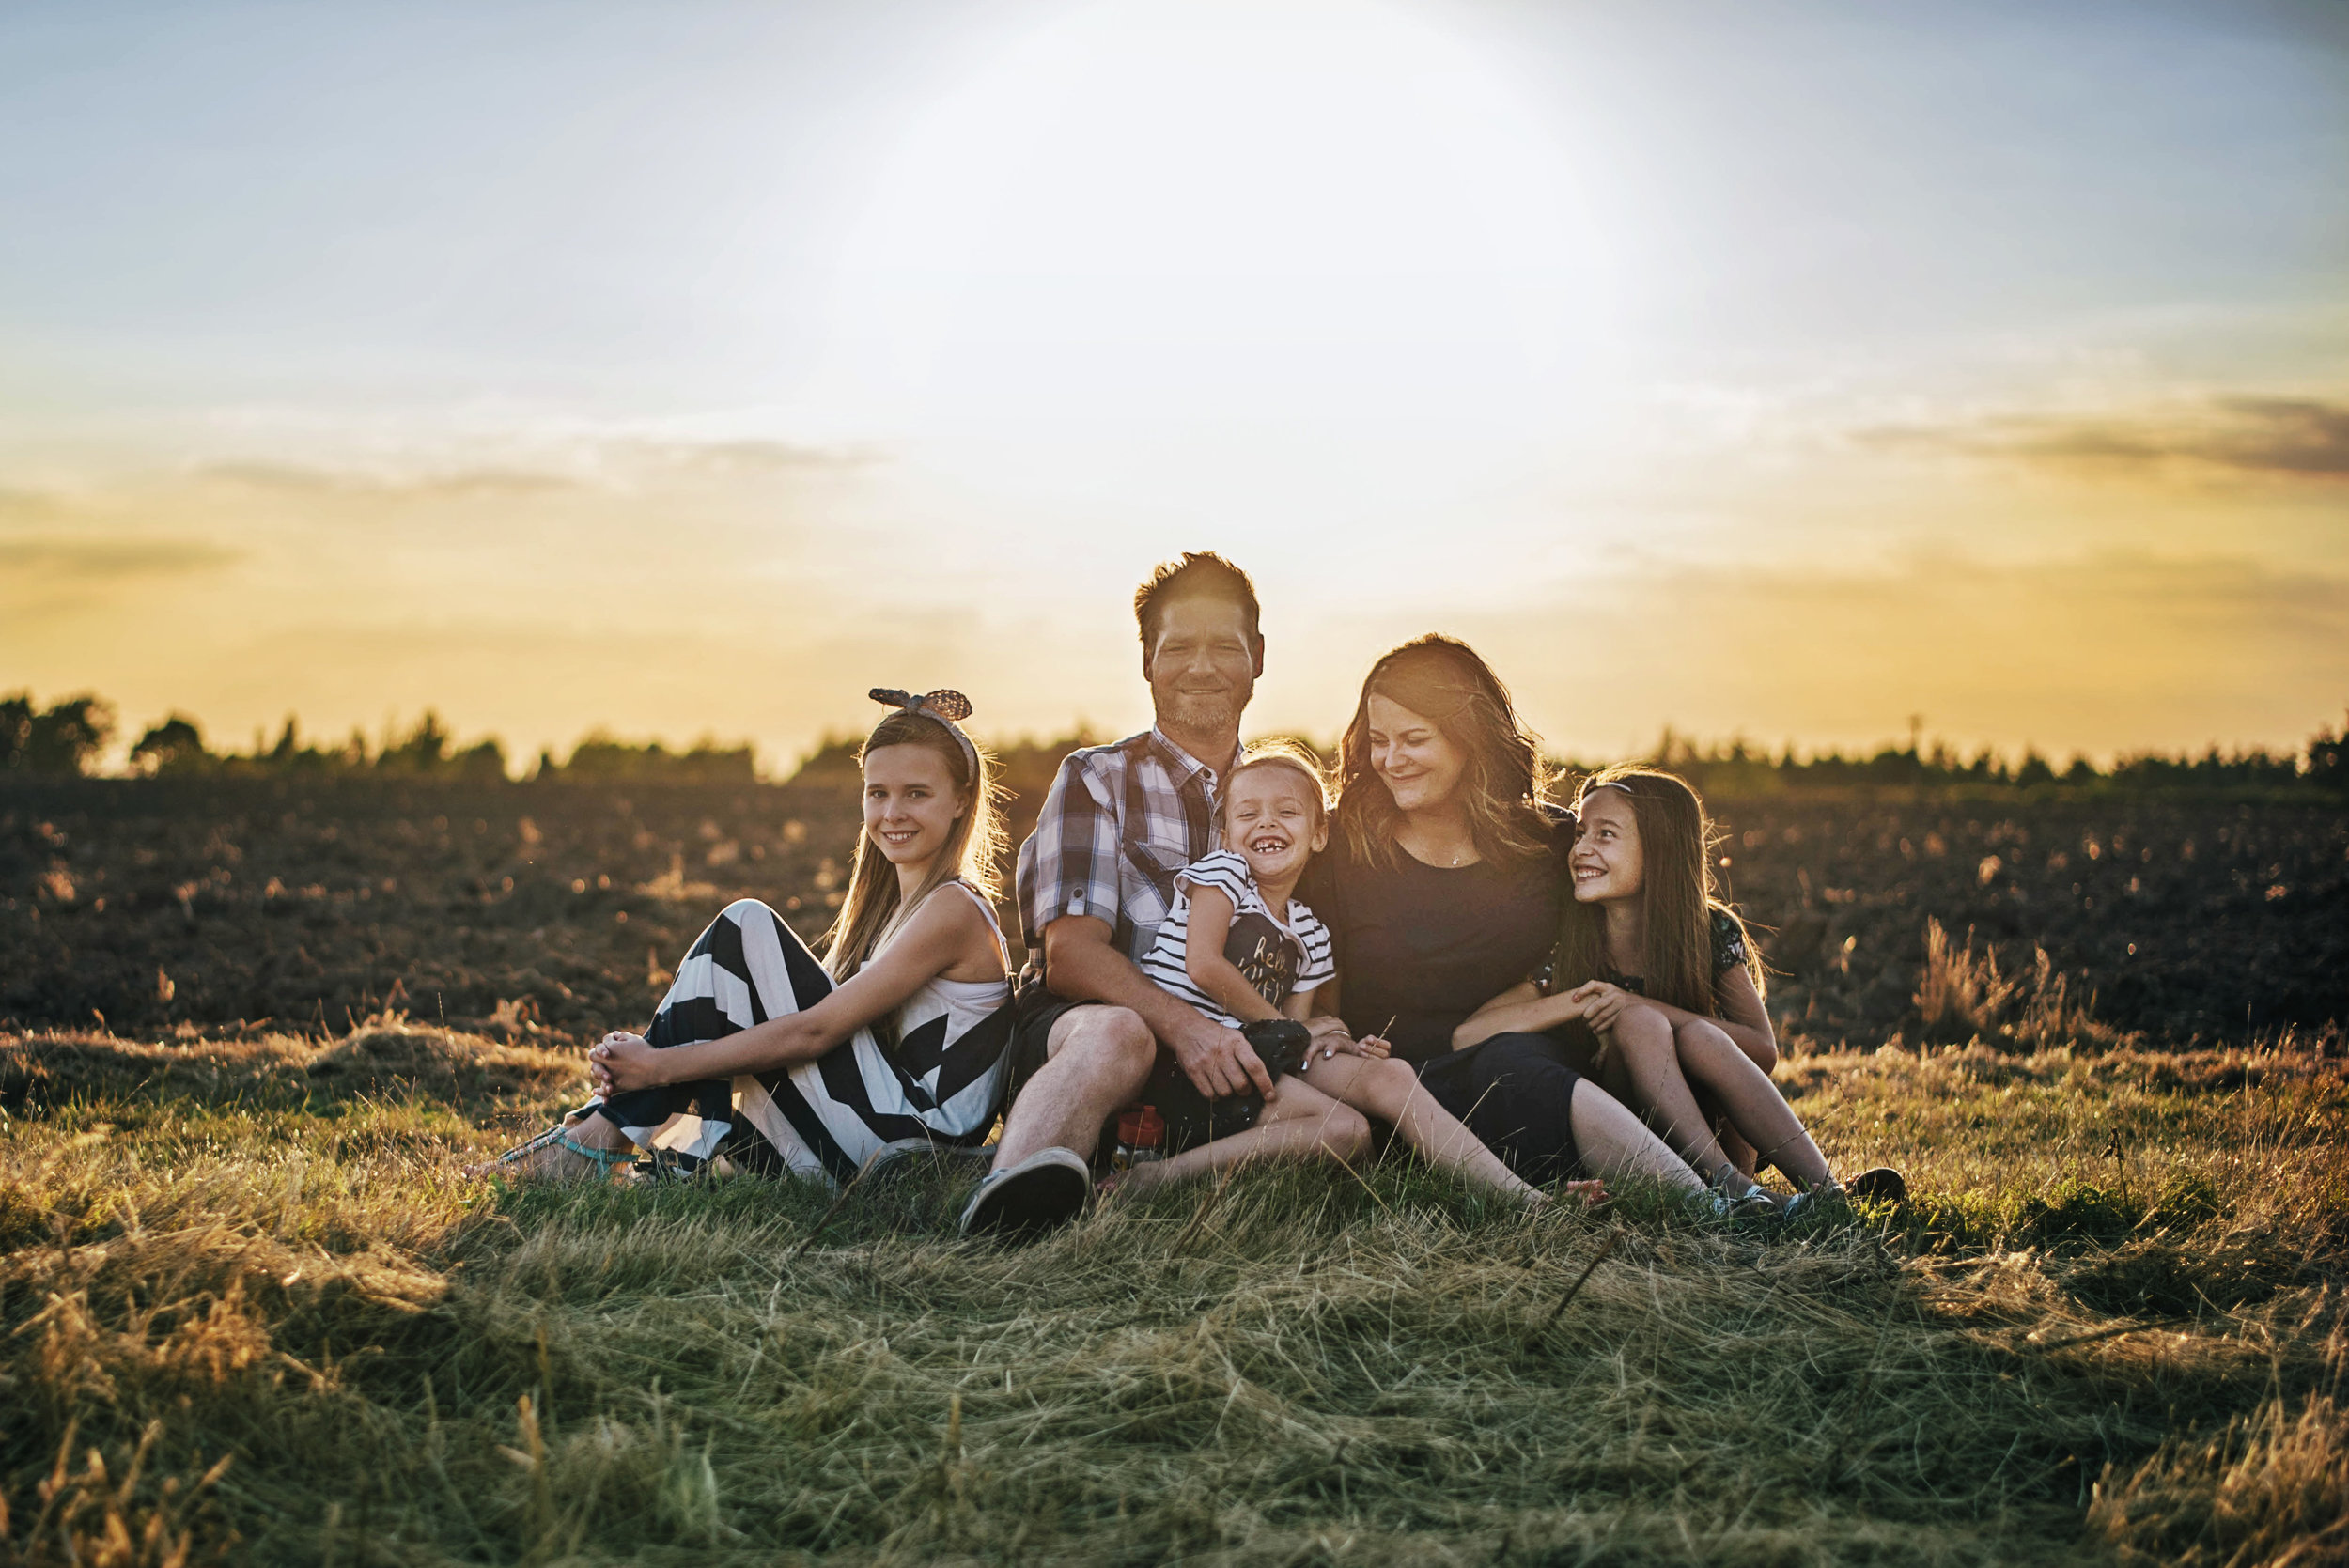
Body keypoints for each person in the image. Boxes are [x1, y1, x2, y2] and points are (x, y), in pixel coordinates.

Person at [962, 552, 1369, 1238]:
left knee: (1339, 1123)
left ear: (1258, 658)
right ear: (1147, 660)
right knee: (1121, 1033)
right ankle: (1005, 1208)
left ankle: (1145, 1181)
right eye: (1178, 647)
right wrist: (1186, 1027)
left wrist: (1318, 1030)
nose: (1201, 667)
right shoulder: (1097, 778)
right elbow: (1071, 957)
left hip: (1221, 1057)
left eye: (1223, 647)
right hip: (1091, 1029)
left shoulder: (1283, 803)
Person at [474, 688, 1014, 1184]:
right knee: (737, 998)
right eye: (878, 793)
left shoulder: (954, 909)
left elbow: (813, 1035)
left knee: (746, 926)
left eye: (916, 793)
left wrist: (655, 1066)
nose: (892, 813)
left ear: (962, 801)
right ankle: (600, 1132)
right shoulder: (892, 911)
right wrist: (646, 1065)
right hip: (872, 1128)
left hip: (914, 1153)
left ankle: (594, 1139)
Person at [1300, 637, 1717, 1202]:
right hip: (1404, 1097)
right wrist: (1333, 1036)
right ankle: (1718, 1204)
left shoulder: (1550, 843)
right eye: (1378, 741)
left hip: (1543, 1080)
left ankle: (1718, 1199)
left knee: (1510, 1061)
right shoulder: (1343, 848)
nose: (1391, 760)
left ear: (1469, 740)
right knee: (1504, 1064)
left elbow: (1643, 926)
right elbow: (1318, 997)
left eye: (1414, 739)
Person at [1113, 742, 1566, 1204]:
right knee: (1343, 1129)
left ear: (1319, 834)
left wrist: (1335, 1039)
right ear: (1227, 835)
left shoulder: (1310, 931)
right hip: (1184, 1058)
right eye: (1248, 814)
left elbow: (1296, 1031)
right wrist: (1294, 1031)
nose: (1266, 822)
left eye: (1286, 811)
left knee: (1385, 1085)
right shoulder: (1224, 874)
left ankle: (1517, 1195)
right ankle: (1157, 1178)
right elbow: (1205, 965)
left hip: (1251, 1053)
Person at [1459, 766, 1904, 1218]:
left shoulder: (1706, 931)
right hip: (1631, 1143)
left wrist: (1639, 1003)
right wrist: (1586, 999)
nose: (1581, 848)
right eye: (1579, 833)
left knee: (1697, 1035)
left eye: (1605, 834)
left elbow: (1762, 1049)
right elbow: (1468, 1035)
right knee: (1638, 1024)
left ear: (1660, 851)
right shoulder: (1571, 943)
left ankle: (1828, 1193)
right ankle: (1729, 1187)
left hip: (1713, 1125)